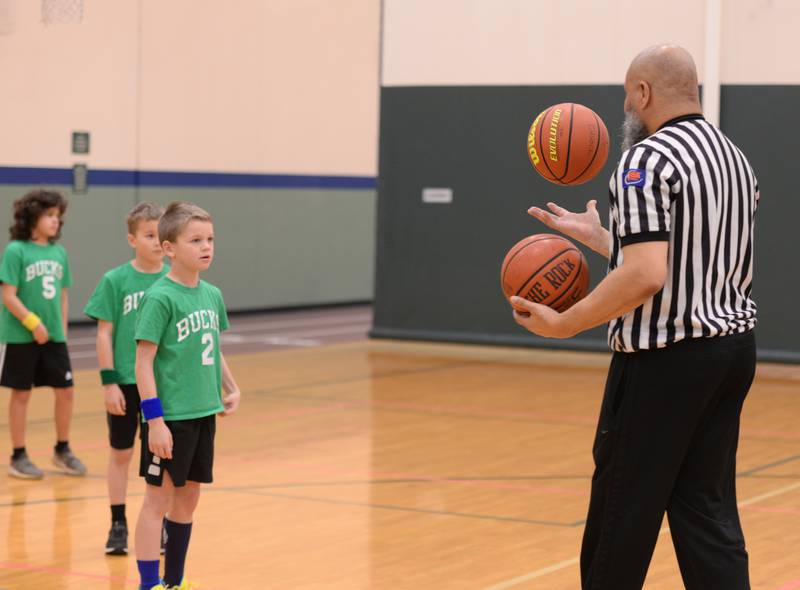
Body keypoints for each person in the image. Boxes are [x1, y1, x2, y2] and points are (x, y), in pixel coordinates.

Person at [512, 45, 758, 590]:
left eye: (628, 94)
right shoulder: (733, 158)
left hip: (663, 362)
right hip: (732, 353)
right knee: (705, 513)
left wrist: (565, 322)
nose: (627, 106)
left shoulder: (646, 159)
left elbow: (648, 276)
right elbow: (688, 261)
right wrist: (605, 240)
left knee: (621, 516)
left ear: (643, 93)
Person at [133, 201, 241, 590]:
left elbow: (212, 345)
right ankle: (148, 584)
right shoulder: (161, 297)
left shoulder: (211, 294)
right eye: (195, 240)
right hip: (170, 417)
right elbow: (143, 363)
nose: (206, 246)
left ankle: (173, 582)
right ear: (169, 248)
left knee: (188, 499)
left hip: (202, 413)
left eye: (210, 239)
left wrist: (230, 387)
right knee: (156, 501)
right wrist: (155, 421)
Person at [84, 201, 168, 555]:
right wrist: (108, 382)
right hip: (125, 380)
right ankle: (117, 523)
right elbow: (104, 333)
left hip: (160, 384)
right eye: (149, 235)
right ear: (132, 239)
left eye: (160, 234)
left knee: (159, 457)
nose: (156, 241)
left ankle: (158, 522)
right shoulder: (115, 280)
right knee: (121, 453)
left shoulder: (175, 278)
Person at [0, 190, 87, 479]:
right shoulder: (16, 250)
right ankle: (18, 455)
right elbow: (8, 296)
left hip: (53, 337)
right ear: (32, 217)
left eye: (57, 216)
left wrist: (59, 331)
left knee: (66, 391)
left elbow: (63, 296)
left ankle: (62, 449)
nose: (55, 221)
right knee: (21, 394)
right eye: (49, 215)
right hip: (21, 335)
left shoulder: (59, 253)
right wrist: (33, 323)